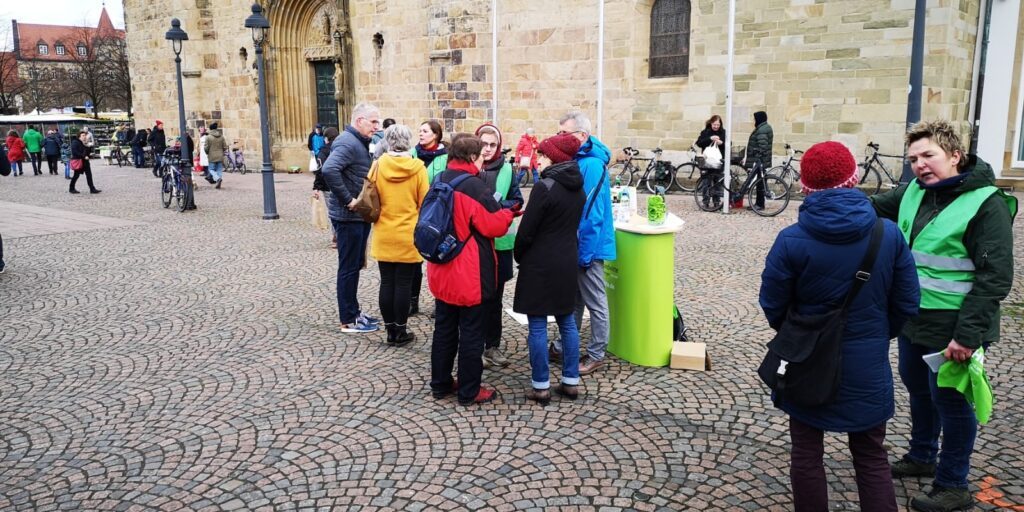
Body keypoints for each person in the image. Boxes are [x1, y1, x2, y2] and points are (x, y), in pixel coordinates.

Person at [759, 141, 919, 512]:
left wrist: (800, 333)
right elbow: (907, 303)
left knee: (806, 452)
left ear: (805, 186)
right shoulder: (888, 234)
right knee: (870, 455)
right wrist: (877, 333)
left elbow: (772, 304)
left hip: (807, 360)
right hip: (867, 363)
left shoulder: (791, 240)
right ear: (855, 178)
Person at [870, 120, 1017, 512]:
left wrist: (968, 336)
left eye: (928, 155)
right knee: (918, 390)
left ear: (955, 155)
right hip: (914, 318)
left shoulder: (986, 204)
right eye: (913, 158)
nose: (919, 165)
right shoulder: (914, 191)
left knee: (950, 402)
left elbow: (995, 277)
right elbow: (867, 207)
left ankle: (954, 484)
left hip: (956, 325)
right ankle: (922, 456)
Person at [428, 134, 516, 406]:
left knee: (444, 329)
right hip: (469, 273)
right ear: (472, 157)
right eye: (480, 156)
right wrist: (508, 213)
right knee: (472, 332)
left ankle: (441, 383)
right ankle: (469, 390)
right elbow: (493, 226)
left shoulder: (439, 178)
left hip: (441, 266)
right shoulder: (474, 187)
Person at [513, 133, 586, 404]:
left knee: (538, 324)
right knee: (567, 321)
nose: (538, 159)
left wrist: (519, 254)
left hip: (541, 262)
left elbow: (527, 231)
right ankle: (570, 381)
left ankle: (541, 385)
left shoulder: (545, 186)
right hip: (567, 258)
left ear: (554, 157)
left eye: (542, 155)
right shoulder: (578, 185)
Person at [549, 111, 615, 376]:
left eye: (565, 133)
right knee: (574, 300)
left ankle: (597, 354)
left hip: (589, 246)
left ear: (582, 136)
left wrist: (585, 252)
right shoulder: (581, 160)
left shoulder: (592, 165)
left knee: (595, 302)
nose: (560, 138)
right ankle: (565, 345)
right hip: (576, 244)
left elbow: (591, 214)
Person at [321, 103, 382, 333]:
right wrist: (349, 200)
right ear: (360, 121)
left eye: (378, 122)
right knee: (348, 268)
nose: (377, 127)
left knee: (354, 266)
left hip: (356, 217)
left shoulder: (356, 141)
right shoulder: (348, 142)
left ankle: (354, 312)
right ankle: (348, 319)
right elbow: (329, 170)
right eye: (373, 122)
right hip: (348, 217)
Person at [371, 124, 429, 346]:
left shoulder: (377, 166)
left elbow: (370, 194)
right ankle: (401, 331)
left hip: (383, 231)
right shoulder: (418, 168)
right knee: (403, 284)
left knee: (387, 282)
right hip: (408, 232)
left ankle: (389, 331)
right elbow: (425, 202)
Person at [475, 123, 524, 368]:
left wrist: (496, 205)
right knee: (475, 297)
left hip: (501, 242)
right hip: (475, 243)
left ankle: (492, 346)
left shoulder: (506, 169)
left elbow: (517, 200)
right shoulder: (470, 168)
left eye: (492, 145)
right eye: (483, 144)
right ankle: (473, 346)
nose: (487, 149)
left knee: (495, 297)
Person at [412, 119, 448, 316]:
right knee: (414, 260)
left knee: (437, 258)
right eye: (420, 130)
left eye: (425, 131)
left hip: (437, 212)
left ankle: (439, 300)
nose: (421, 134)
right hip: (415, 212)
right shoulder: (412, 153)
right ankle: (412, 300)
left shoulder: (445, 157)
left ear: (435, 134)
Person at [314, 127, 340, 249]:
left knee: (333, 212)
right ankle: (339, 236)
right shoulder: (343, 149)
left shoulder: (323, 152)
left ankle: (337, 237)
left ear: (326, 139)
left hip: (328, 186)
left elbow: (320, 171)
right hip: (341, 185)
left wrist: (316, 187)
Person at [695, 114, 726, 209]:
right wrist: (710, 139)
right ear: (711, 123)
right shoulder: (706, 132)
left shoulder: (723, 132)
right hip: (706, 162)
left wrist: (722, 143)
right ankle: (705, 202)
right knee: (706, 182)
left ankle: (717, 202)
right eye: (714, 124)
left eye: (718, 124)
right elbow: (699, 143)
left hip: (718, 162)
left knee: (718, 182)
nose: (716, 126)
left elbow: (729, 144)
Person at [743, 110, 773, 209]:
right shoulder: (763, 128)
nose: (753, 120)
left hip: (760, 160)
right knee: (759, 182)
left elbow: (762, 146)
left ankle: (760, 204)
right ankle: (758, 203)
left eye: (754, 118)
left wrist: (755, 151)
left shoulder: (762, 130)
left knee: (760, 183)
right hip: (761, 160)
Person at [69, 129, 101, 194]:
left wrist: (87, 146)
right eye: (83, 135)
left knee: (89, 175)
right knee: (76, 175)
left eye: (85, 135)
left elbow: (87, 152)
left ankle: (92, 189)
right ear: (79, 136)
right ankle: (71, 188)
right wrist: (83, 156)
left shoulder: (83, 143)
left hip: (85, 162)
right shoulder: (75, 142)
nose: (84, 136)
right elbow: (75, 152)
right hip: (79, 161)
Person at [205, 123, 226, 189]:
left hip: (212, 156)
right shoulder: (221, 136)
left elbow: (206, 148)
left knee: (211, 169)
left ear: (210, 129)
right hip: (220, 155)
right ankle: (218, 181)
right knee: (219, 170)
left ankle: (217, 179)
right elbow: (225, 147)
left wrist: (207, 152)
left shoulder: (208, 137)